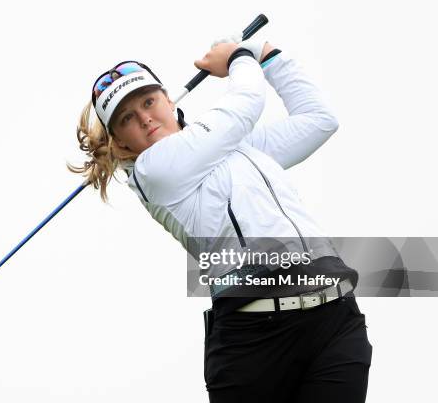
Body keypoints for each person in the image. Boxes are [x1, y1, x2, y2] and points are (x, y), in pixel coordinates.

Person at [69, 33, 373, 402]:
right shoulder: (155, 170)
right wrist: (240, 58)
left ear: (168, 100)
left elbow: (319, 119)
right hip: (254, 342)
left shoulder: (237, 149)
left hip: (334, 318)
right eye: (128, 119)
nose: (146, 118)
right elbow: (245, 103)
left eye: (149, 101)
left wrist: (271, 56)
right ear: (121, 141)